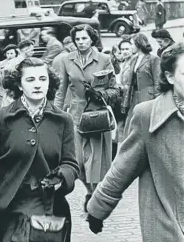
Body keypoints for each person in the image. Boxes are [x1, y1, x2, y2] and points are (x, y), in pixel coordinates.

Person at [0, 57, 79, 242]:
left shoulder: (63, 120)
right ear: (19, 85)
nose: (37, 85)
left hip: (47, 210)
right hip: (7, 208)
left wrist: (62, 177)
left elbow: (71, 163)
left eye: (42, 79)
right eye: (30, 80)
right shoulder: (0, 118)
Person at [86, 42, 184, 242]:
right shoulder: (148, 116)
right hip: (169, 228)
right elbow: (123, 167)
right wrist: (97, 209)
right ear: (169, 76)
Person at [54, 24, 119, 212]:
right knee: (78, 162)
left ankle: (94, 195)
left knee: (97, 162)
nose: (81, 42)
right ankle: (91, 191)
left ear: (92, 39)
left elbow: (115, 89)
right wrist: (56, 115)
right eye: (77, 39)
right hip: (75, 116)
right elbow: (61, 90)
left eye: (84, 38)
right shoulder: (67, 59)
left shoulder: (104, 59)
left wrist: (102, 95)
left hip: (97, 115)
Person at [122, 33, 161, 136]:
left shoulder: (153, 59)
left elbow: (158, 81)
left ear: (138, 44)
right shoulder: (134, 59)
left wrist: (157, 101)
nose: (130, 47)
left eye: (132, 44)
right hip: (134, 96)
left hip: (148, 97)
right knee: (130, 126)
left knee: (146, 126)